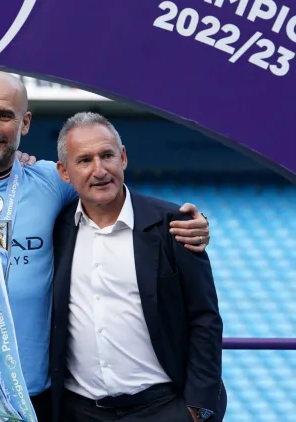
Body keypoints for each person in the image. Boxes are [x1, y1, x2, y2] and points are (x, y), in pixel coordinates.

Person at [0, 72, 212, 421]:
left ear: (25, 123)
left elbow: (104, 181)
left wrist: (190, 221)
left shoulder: (51, 179)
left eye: (5, 115)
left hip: (35, 396)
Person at [50, 112, 226, 422]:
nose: (99, 170)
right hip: (78, 411)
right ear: (64, 172)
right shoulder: (55, 229)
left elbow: (205, 318)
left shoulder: (175, 226)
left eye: (107, 155)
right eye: (85, 160)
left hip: (163, 408)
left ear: (124, 158)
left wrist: (196, 410)